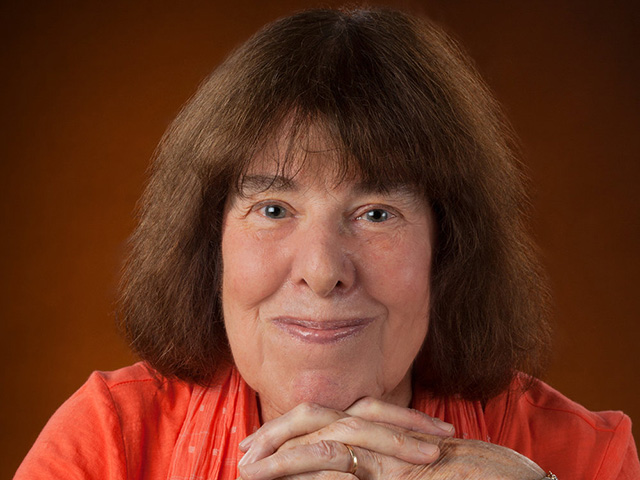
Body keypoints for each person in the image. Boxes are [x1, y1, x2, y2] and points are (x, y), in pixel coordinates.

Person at [15, 6, 639, 480]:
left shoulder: (588, 458)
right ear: (211, 246)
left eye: (376, 214)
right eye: (273, 209)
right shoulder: (109, 440)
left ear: (448, 248)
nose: (321, 270)